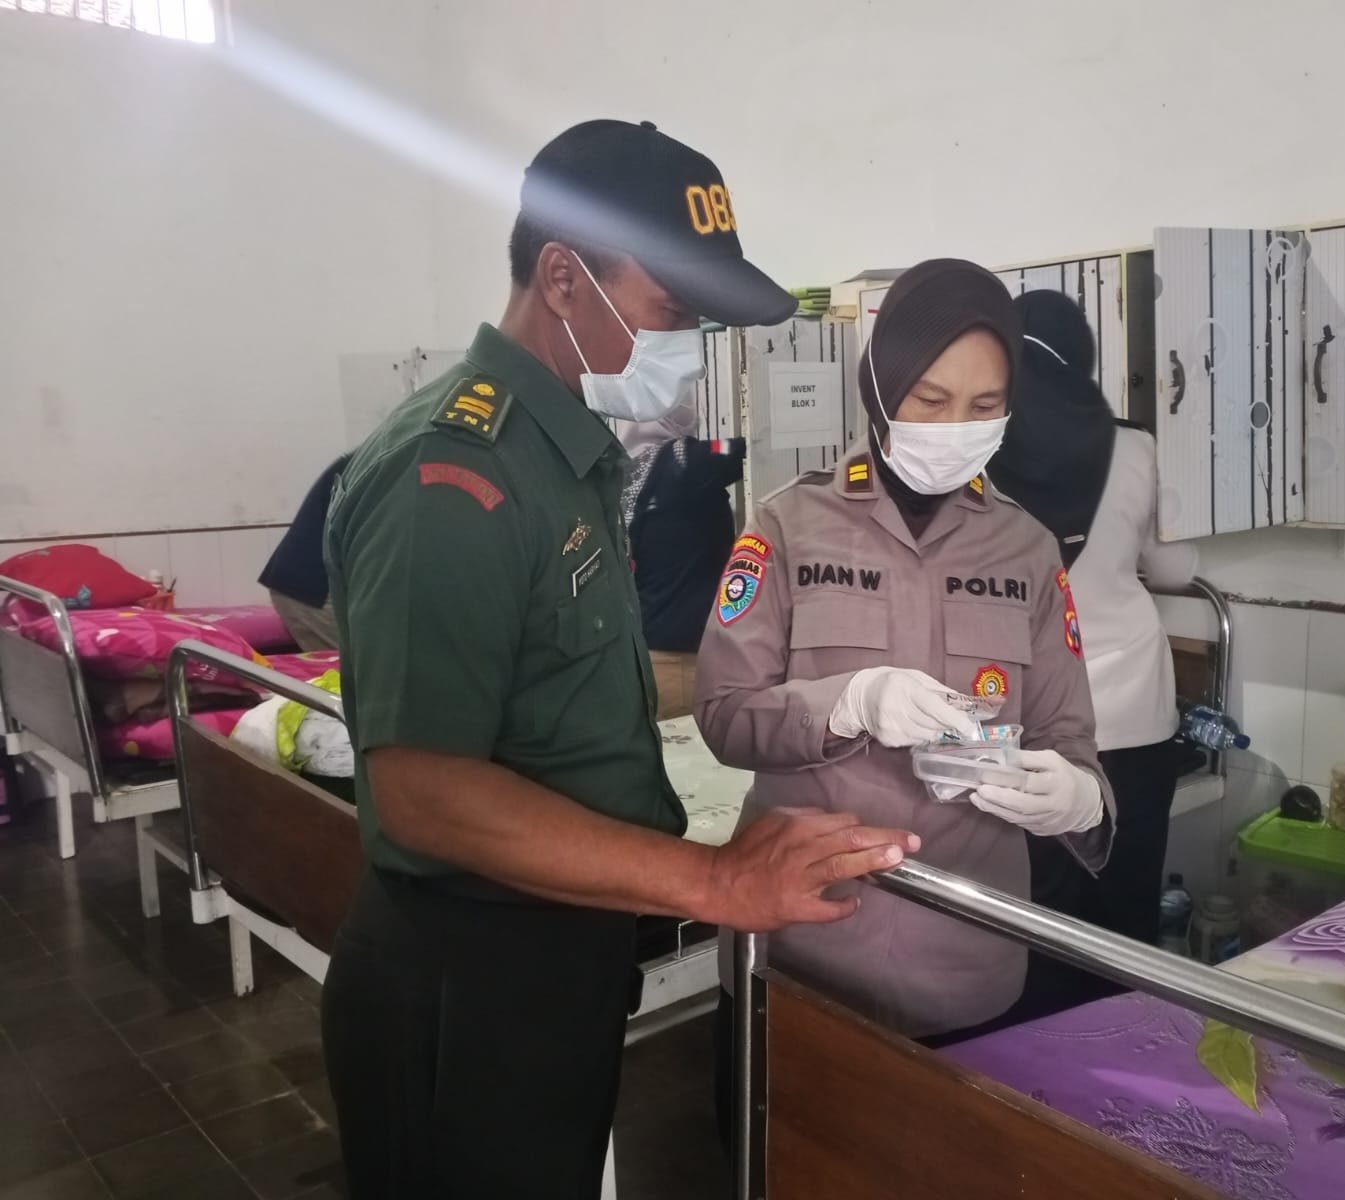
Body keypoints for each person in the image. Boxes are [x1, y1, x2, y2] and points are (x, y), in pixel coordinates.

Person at [319, 120, 919, 1200]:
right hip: (469, 977)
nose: (686, 346)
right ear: (562, 278)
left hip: (555, 955)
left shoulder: (567, 460)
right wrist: (714, 879)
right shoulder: (455, 477)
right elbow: (420, 790)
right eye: (672, 314)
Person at [696, 259, 1114, 1135]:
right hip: (803, 944)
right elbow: (725, 714)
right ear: (882, 389)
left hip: (966, 963)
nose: (956, 426)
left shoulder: (1028, 550)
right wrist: (849, 701)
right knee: (785, 1166)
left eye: (984, 404)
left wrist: (1076, 796)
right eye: (931, 399)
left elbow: (1070, 741)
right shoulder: (788, 525)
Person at [988, 290, 1198, 1007]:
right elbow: (1176, 570)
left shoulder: (979, 440)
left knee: (1032, 914)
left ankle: (1029, 1055)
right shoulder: (1136, 446)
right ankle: (1113, 1050)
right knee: (1122, 909)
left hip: (1025, 714)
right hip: (1133, 718)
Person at [618, 395, 746, 719]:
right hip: (683, 663)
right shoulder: (682, 459)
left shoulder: (628, 470)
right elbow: (738, 449)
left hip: (648, 650)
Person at [259, 454, 349, 650]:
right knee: (357, 665)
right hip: (313, 591)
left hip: (305, 582)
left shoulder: (377, 457)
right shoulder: (384, 463)